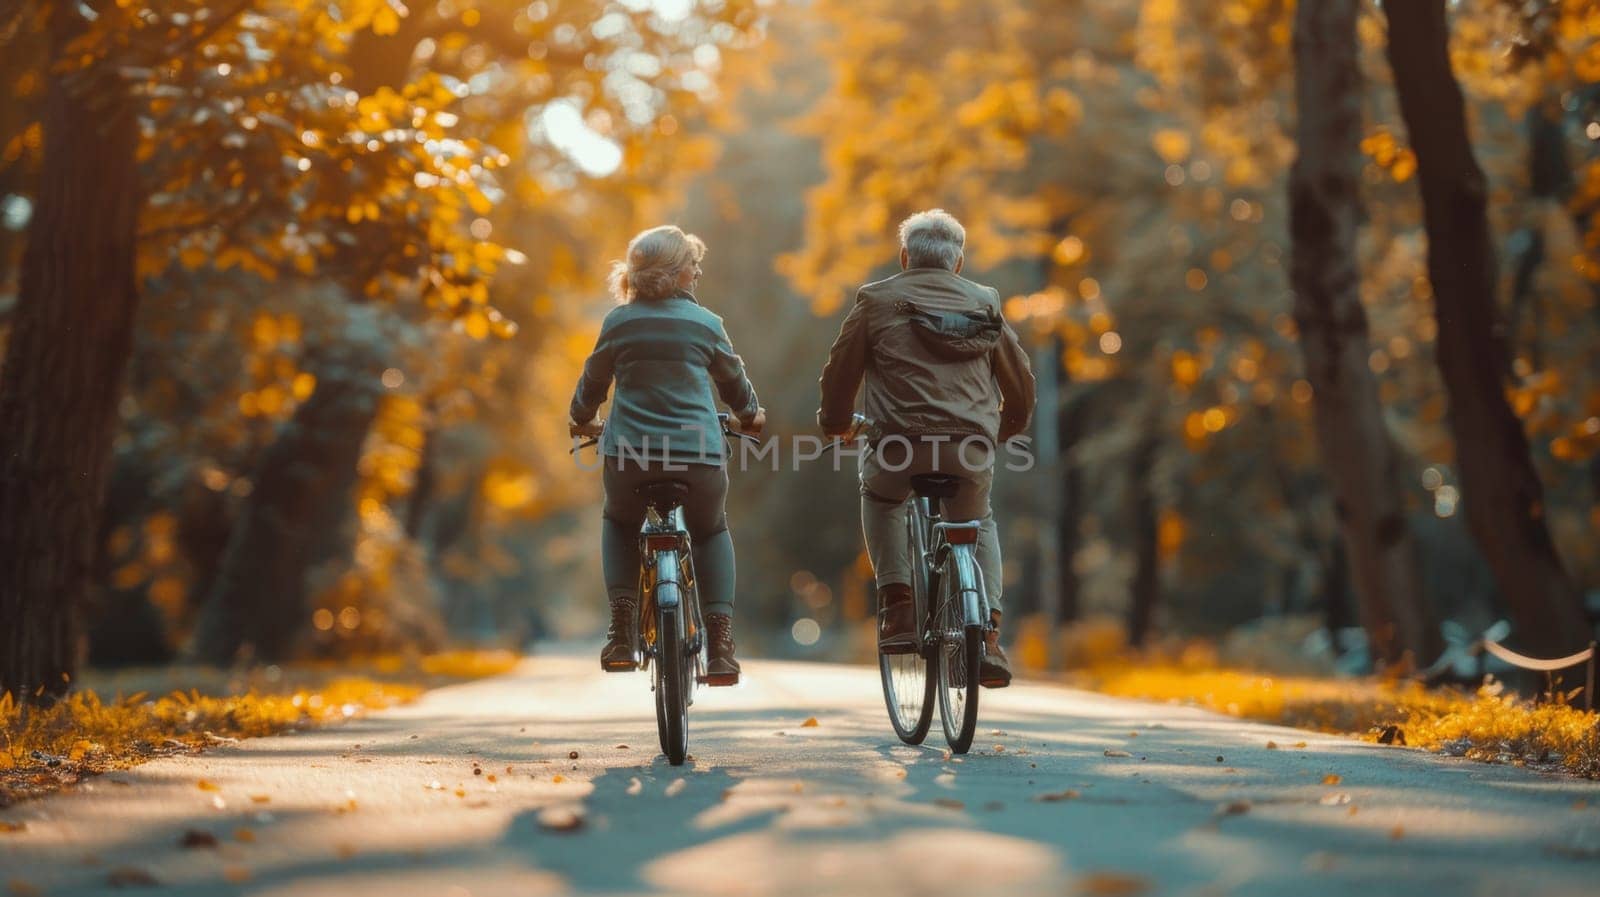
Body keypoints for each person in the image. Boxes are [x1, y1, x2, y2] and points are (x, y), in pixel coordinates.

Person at [817, 209, 1035, 687]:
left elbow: (840, 373)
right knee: (976, 523)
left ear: (905, 258)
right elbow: (1019, 385)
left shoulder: (877, 300)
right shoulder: (985, 302)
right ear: (957, 264)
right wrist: (1001, 433)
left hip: (898, 445)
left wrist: (835, 424)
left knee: (881, 498)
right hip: (970, 448)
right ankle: (990, 638)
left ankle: (898, 607)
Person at [569, 225, 764, 685]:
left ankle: (620, 631)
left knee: (619, 521)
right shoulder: (706, 324)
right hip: (698, 456)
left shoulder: (619, 322)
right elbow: (735, 386)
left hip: (630, 455)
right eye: (692, 266)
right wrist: (750, 414)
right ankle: (720, 645)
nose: (697, 273)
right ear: (676, 274)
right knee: (711, 529)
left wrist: (581, 418)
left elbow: (592, 384)